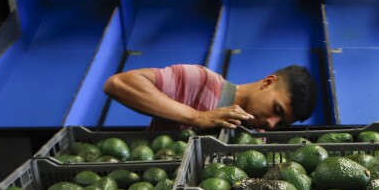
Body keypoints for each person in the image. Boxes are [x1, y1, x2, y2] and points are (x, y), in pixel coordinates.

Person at [103, 63, 317, 131]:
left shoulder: (257, 137)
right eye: (276, 110)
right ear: (268, 82)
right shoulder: (202, 81)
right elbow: (119, 84)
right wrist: (197, 117)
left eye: (280, 123)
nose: (271, 124)